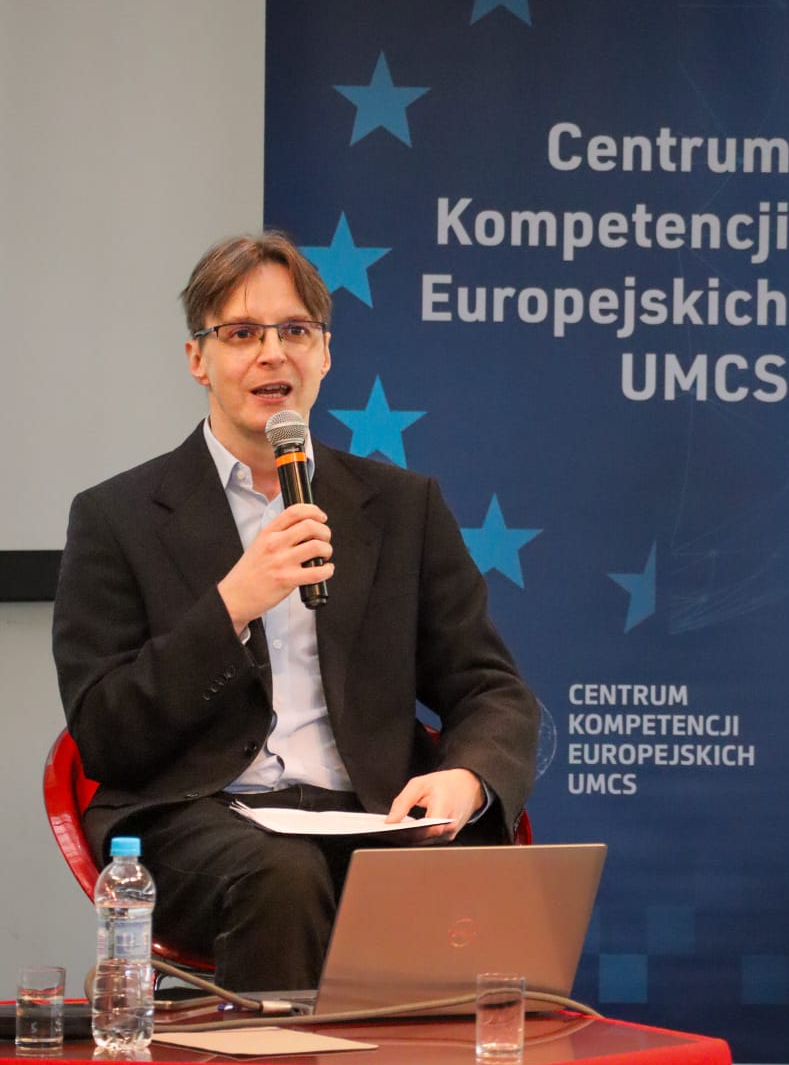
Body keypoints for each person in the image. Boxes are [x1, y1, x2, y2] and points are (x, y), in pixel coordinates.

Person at [52, 231, 540, 991]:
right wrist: (232, 604)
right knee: (282, 874)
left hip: (372, 812)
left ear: (325, 354)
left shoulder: (401, 507)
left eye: (295, 331)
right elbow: (105, 732)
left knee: (467, 870)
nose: (272, 354)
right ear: (197, 359)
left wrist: (469, 776)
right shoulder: (118, 516)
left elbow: (490, 688)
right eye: (242, 334)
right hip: (201, 816)